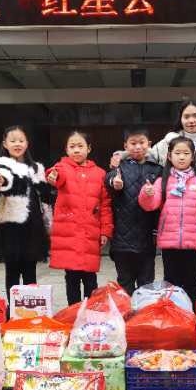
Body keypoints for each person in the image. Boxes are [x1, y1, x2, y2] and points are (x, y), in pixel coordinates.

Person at [111, 98, 196, 294]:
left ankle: (195, 305)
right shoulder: (167, 144)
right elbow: (145, 152)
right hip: (171, 226)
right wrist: (121, 155)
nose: (191, 120)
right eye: (187, 116)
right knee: (172, 279)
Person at [138, 136, 196, 307]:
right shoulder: (163, 181)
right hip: (169, 244)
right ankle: (174, 317)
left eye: (186, 153)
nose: (181, 157)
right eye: (177, 153)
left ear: (193, 157)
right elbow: (150, 205)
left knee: (192, 284)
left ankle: (192, 315)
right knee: (171, 284)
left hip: (193, 245)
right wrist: (147, 193)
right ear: (169, 156)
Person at [47, 131, 113, 306]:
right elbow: (55, 175)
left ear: (89, 148)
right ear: (66, 150)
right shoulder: (63, 167)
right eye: (72, 146)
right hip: (69, 233)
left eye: (80, 146)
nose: (76, 150)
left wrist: (105, 231)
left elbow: (105, 205)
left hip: (90, 233)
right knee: (72, 277)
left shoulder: (100, 173)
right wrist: (52, 176)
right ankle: (74, 312)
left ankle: (90, 312)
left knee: (90, 277)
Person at [0, 126, 52, 304]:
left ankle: (30, 309)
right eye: (13, 141)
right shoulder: (1, 165)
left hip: (32, 225)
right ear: (5, 144)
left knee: (30, 269)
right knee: (12, 271)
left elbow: (45, 196)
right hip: (10, 226)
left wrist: (49, 184)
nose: (17, 144)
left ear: (27, 143)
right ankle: (13, 309)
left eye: (21, 140)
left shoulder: (36, 168)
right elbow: (1, 180)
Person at [105, 127, 163, 295]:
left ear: (149, 144)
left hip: (146, 238)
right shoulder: (119, 167)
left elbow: (159, 205)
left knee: (146, 283)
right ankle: (126, 310)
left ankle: (143, 311)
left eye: (141, 142)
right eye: (133, 143)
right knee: (125, 284)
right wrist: (114, 183)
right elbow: (108, 179)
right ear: (125, 146)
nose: (138, 147)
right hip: (122, 239)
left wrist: (157, 231)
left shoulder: (156, 169)